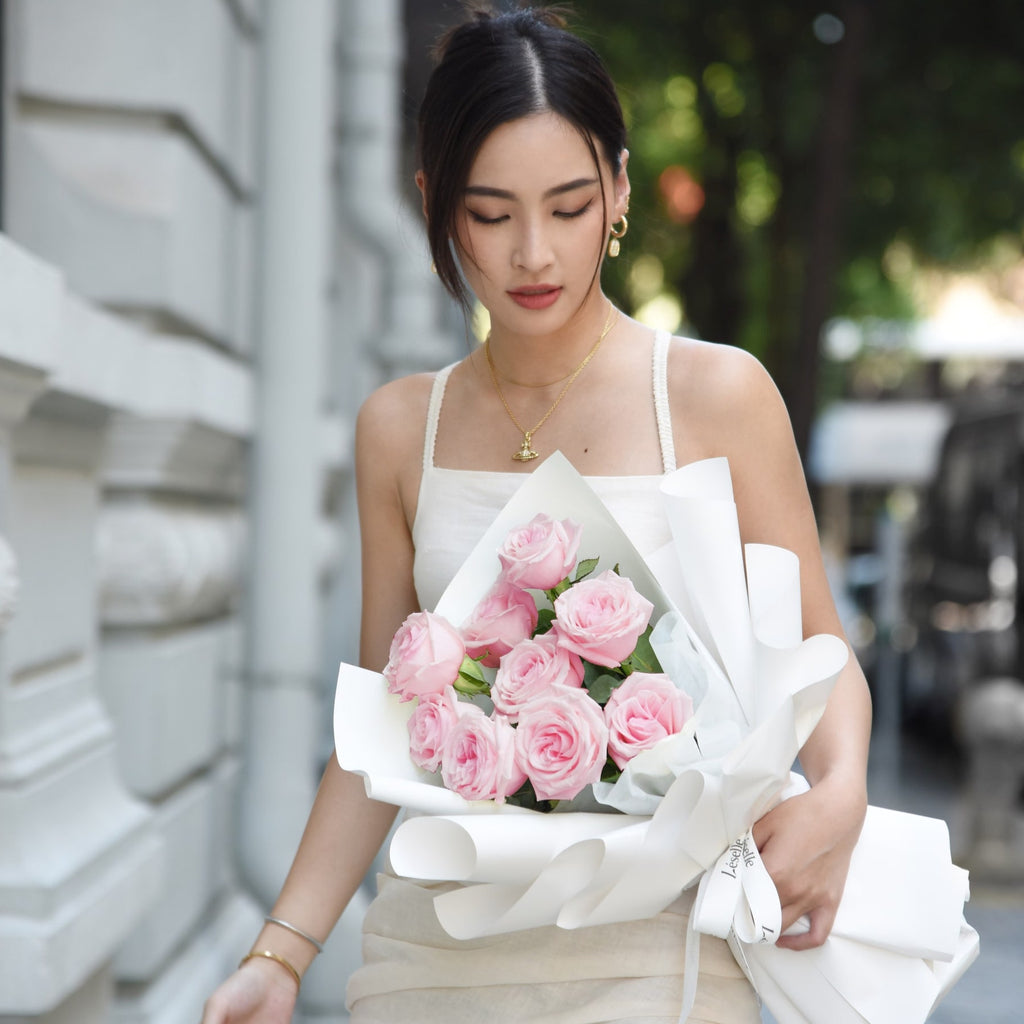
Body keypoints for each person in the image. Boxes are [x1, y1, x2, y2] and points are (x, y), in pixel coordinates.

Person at [201, 5, 871, 1022]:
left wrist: (841, 791)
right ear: (433, 203)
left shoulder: (716, 395)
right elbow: (384, 723)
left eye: (566, 206)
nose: (533, 254)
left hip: (662, 961)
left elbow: (823, 649)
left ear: (620, 190)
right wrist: (281, 954)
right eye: (489, 212)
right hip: (437, 953)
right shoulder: (399, 428)